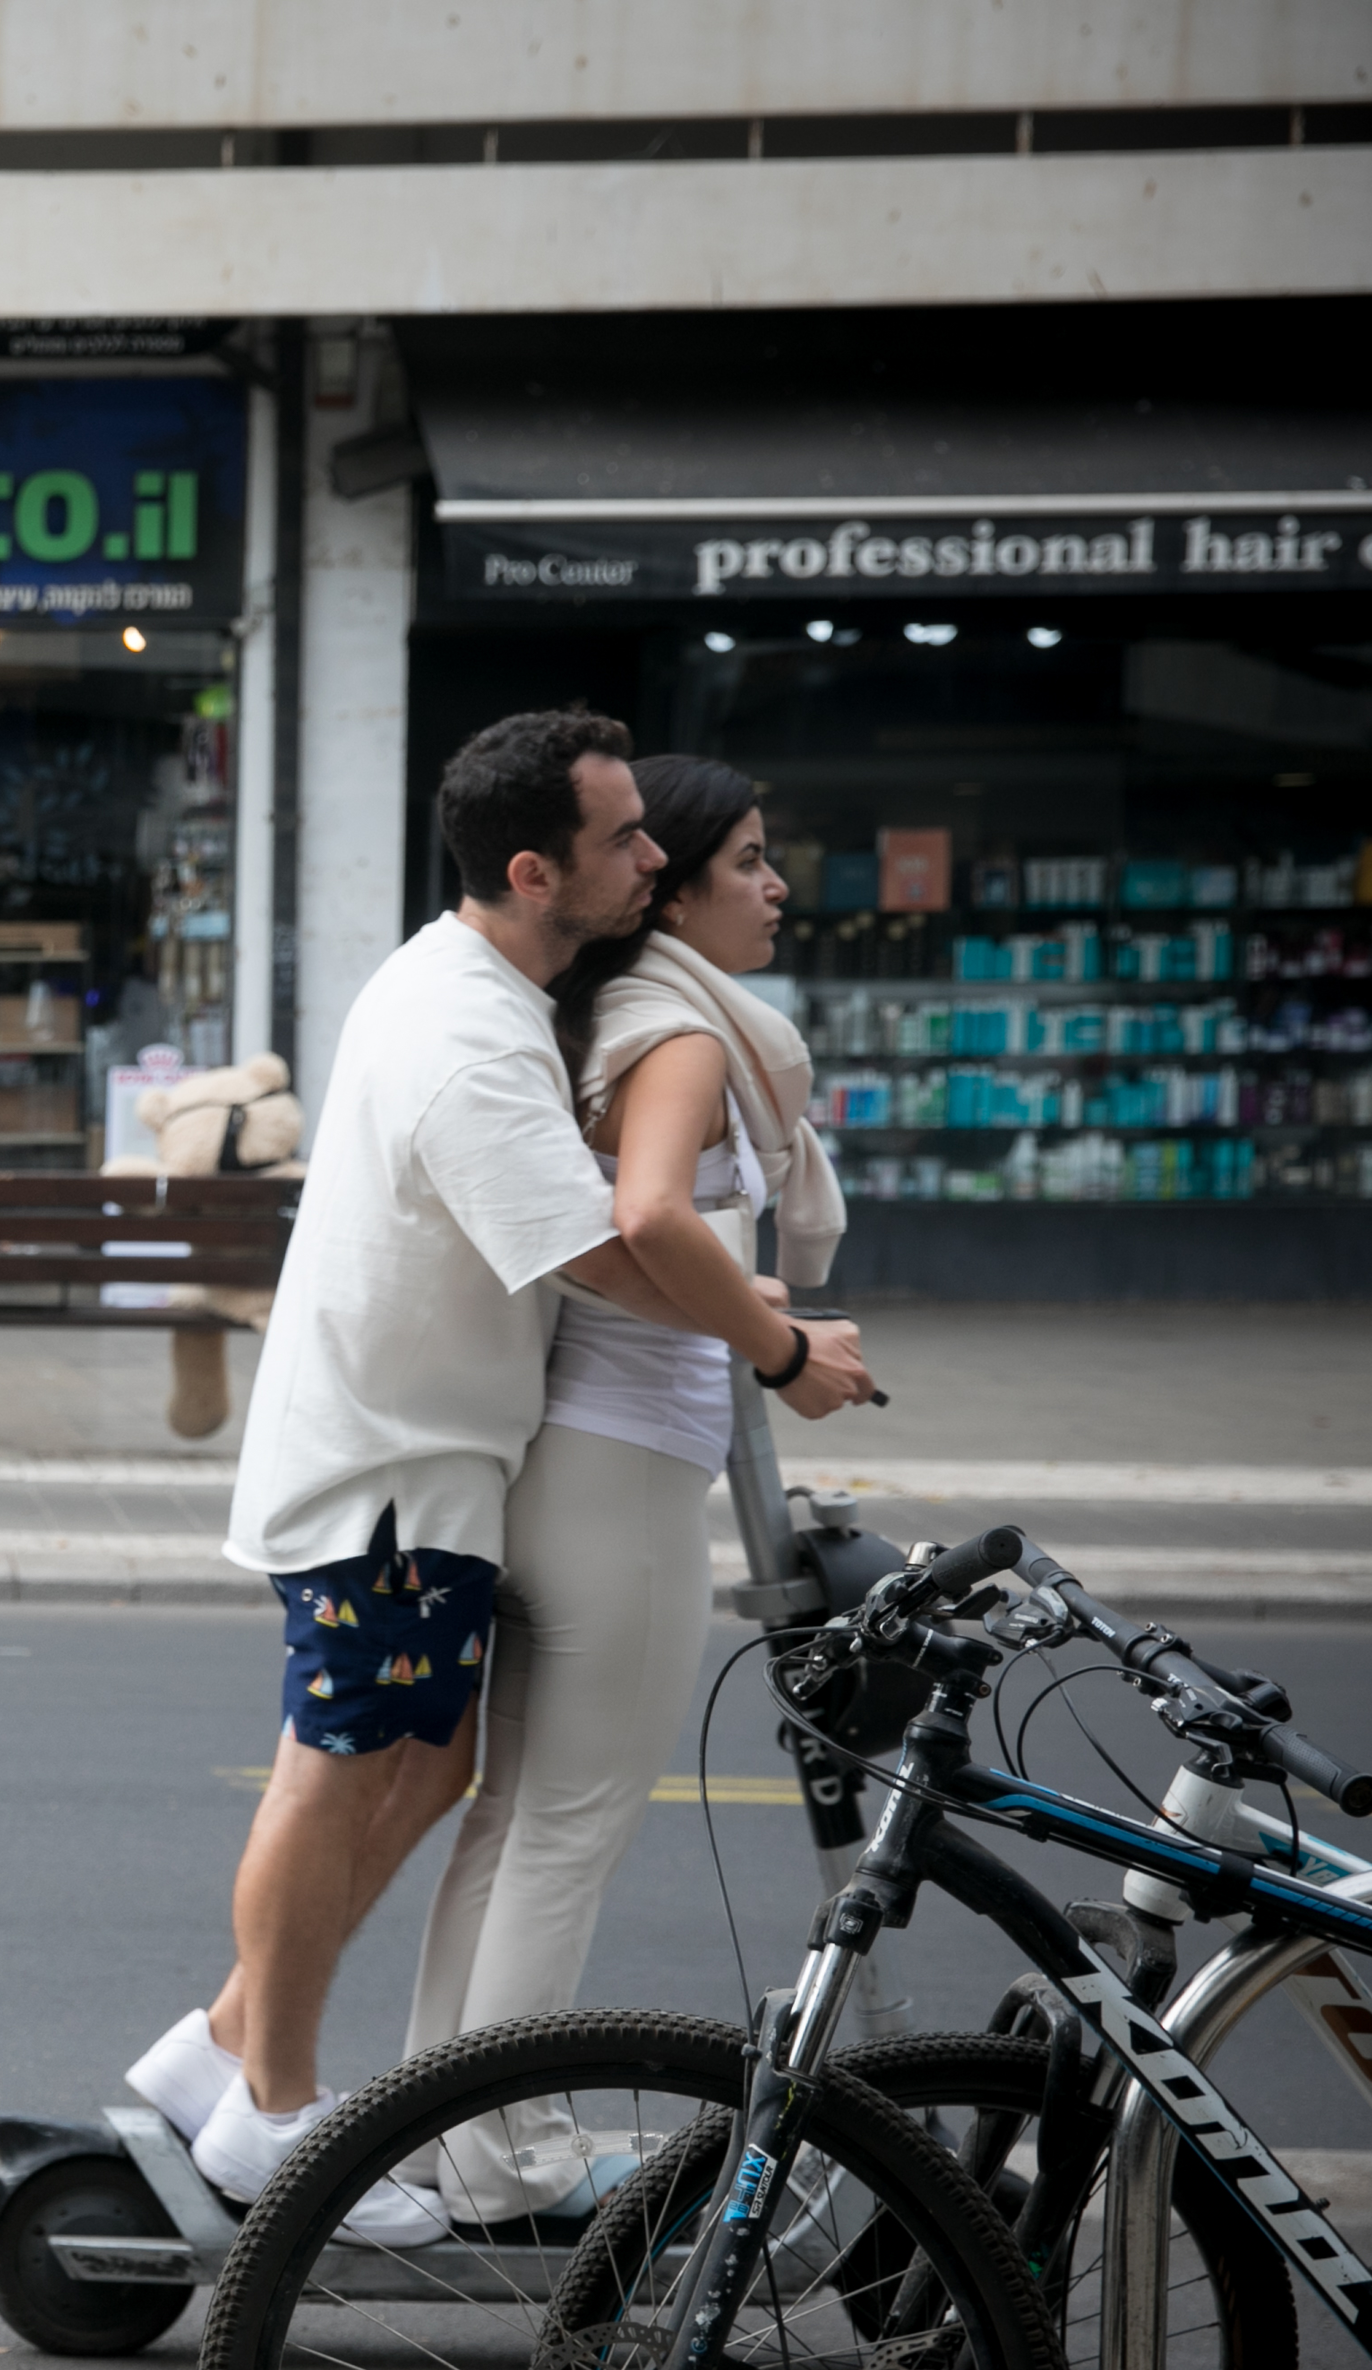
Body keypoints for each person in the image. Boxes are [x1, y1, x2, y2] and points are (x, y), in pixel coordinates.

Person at [118, 709, 870, 2246]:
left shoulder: (481, 985)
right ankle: (271, 2112)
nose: (653, 858)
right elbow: (604, 1247)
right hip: (394, 1462)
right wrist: (777, 1344)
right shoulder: (469, 1028)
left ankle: (213, 2052)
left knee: (428, 1767)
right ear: (537, 871)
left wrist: (758, 1323)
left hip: (434, 1454)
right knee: (335, 1771)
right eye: (625, 842)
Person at [402, 754, 872, 2223]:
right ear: (662, 884)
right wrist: (780, 1342)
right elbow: (651, 1212)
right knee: (569, 1825)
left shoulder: (604, 1010)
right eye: (744, 859)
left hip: (563, 1463)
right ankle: (508, 2157)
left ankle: (437, 2130)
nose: (776, 883)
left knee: (514, 1817)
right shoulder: (678, 1031)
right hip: (626, 1473)